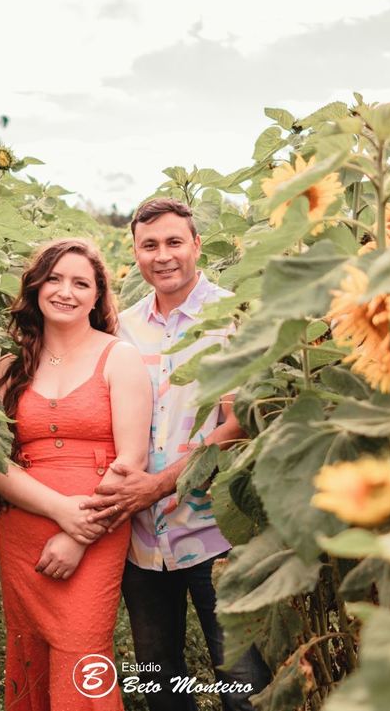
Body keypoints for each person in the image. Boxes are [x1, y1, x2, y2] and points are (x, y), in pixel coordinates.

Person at [80, 199, 270, 711]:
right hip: (141, 537)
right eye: (149, 245)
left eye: (173, 242)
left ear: (196, 246)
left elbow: (239, 423)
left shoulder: (231, 317)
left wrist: (158, 485)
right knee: (159, 682)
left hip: (216, 534)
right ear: (135, 252)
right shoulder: (123, 327)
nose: (162, 256)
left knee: (244, 683)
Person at [0, 238, 152, 710]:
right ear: (36, 287)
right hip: (25, 532)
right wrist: (62, 512)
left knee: (82, 646)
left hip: (97, 529)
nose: (66, 291)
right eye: (55, 279)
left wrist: (79, 535)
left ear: (97, 295)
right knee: (30, 652)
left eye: (81, 282)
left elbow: (131, 462)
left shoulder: (118, 357)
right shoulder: (8, 368)